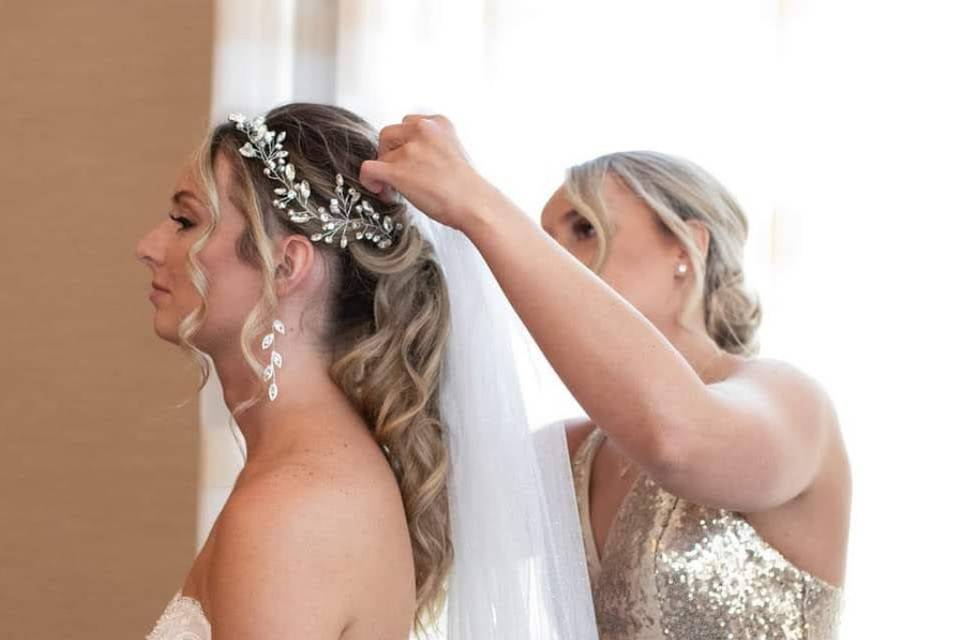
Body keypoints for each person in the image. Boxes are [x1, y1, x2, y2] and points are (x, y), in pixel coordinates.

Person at [360, 115, 851, 639]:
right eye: (546, 240)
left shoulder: (793, 402)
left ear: (685, 250)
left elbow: (677, 440)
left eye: (584, 229)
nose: (552, 261)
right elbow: (385, 529)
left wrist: (477, 205)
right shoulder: (570, 455)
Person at [136, 103, 598, 640]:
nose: (147, 247)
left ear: (286, 266)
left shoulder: (292, 512)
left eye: (185, 221)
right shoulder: (310, 477)